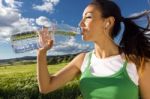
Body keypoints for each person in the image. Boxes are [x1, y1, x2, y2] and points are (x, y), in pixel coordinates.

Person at [37, 0, 150, 99]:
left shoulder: (139, 63)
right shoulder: (82, 60)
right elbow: (46, 87)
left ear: (108, 22)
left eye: (88, 17)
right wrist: (41, 53)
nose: (80, 23)